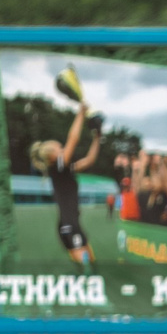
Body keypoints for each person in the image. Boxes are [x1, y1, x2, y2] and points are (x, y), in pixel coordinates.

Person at [33, 91, 100, 267]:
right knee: (87, 269)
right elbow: (73, 138)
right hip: (69, 225)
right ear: (53, 156)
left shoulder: (64, 169)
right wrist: (81, 113)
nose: (63, 149)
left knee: (91, 266)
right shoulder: (57, 167)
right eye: (59, 148)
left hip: (72, 223)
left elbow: (89, 160)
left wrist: (97, 139)